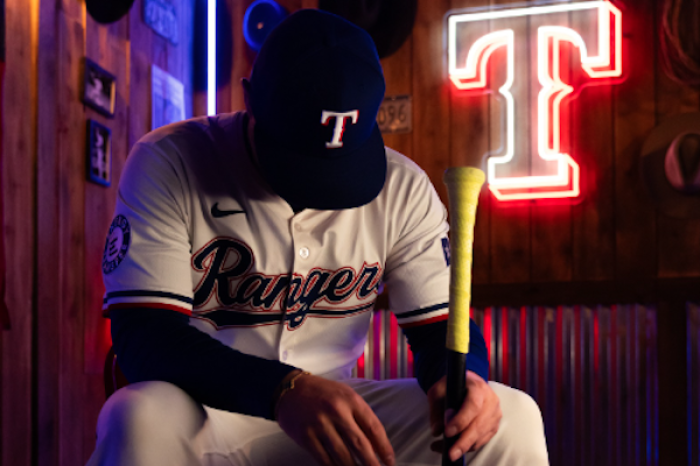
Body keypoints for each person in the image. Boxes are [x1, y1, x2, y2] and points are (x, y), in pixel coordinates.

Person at [87, 9, 548, 466]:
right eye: (301, 158)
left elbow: (439, 334)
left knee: (513, 414)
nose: (318, 187)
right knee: (136, 414)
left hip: (337, 409)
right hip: (204, 413)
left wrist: (465, 380)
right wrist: (282, 389)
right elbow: (146, 337)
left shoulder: (403, 188)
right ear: (249, 98)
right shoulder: (171, 161)